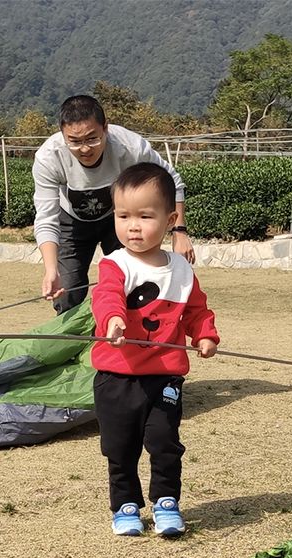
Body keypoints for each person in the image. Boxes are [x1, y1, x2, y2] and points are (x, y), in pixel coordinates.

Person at [90, 162, 218, 537]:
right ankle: (126, 505)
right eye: (123, 215)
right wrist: (113, 321)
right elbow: (107, 296)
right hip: (117, 375)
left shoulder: (181, 269)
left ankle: (166, 501)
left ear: (170, 218)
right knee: (120, 446)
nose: (133, 226)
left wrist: (205, 335)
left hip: (163, 374)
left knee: (164, 440)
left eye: (145, 216)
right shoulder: (115, 264)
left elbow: (197, 309)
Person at [33, 95, 195, 314]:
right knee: (68, 291)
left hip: (119, 220)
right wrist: (51, 269)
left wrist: (180, 231)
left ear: (105, 128)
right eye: (74, 141)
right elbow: (46, 218)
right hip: (72, 223)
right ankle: (77, 345)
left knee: (132, 282)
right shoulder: (48, 157)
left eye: (92, 138)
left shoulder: (130, 147)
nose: (84, 149)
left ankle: (131, 341)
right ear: (63, 135)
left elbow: (172, 182)